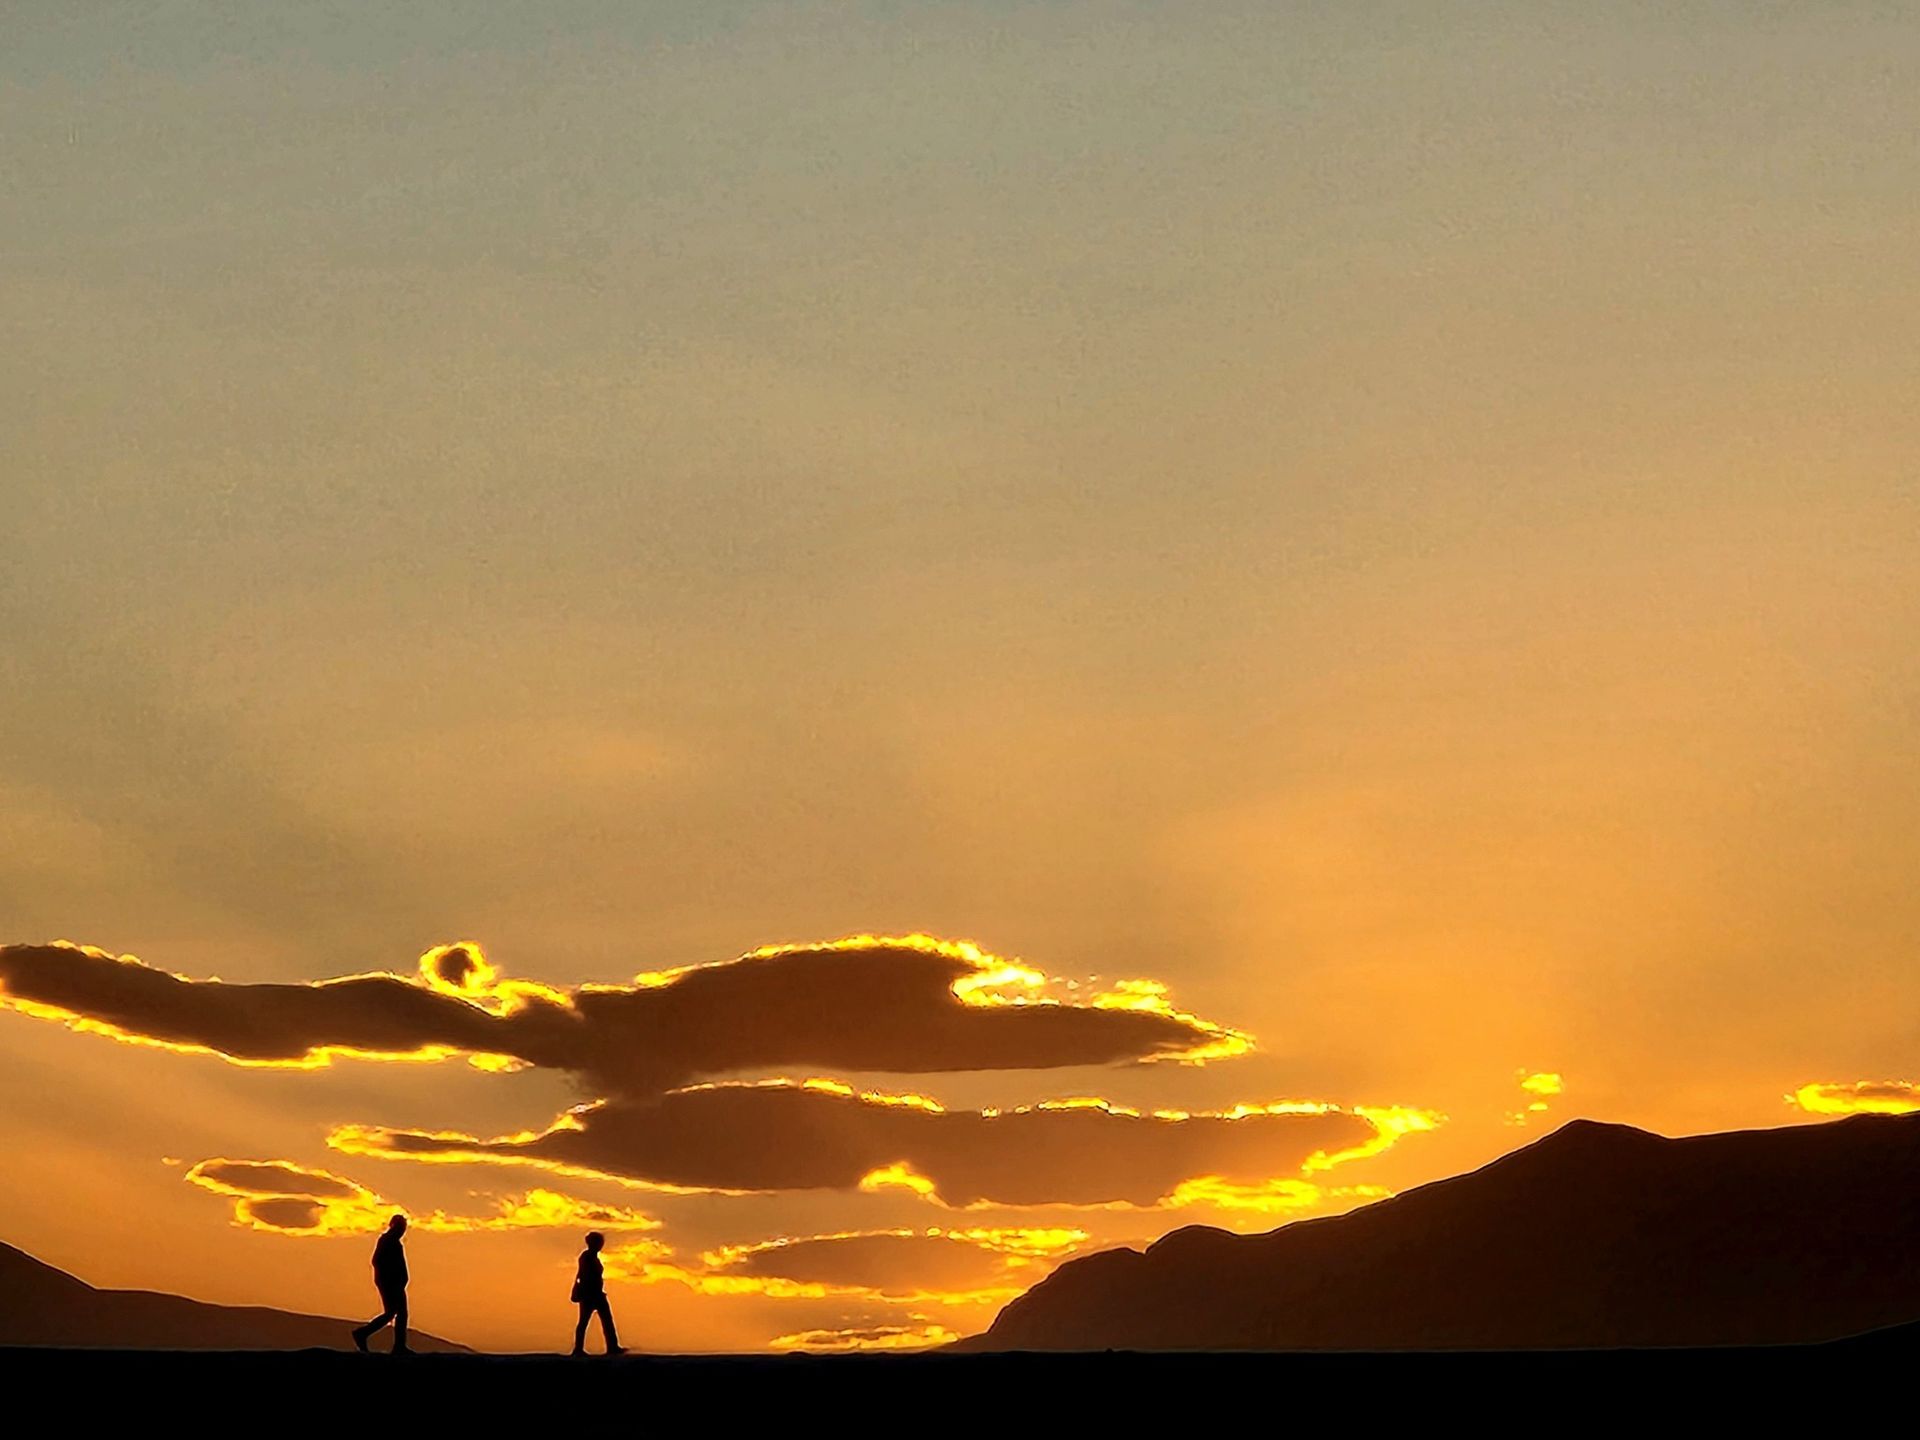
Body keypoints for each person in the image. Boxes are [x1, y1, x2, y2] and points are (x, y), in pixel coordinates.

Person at [352, 1214, 410, 1353]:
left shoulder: (394, 1242)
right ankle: (363, 1334)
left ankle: (398, 1346)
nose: (403, 1231)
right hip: (390, 1283)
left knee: (399, 1313)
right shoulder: (387, 1241)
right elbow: (376, 1260)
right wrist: (390, 1277)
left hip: (396, 1283)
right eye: (401, 1228)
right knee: (393, 1313)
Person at [571, 1231, 625, 1356]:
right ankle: (578, 1349)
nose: (601, 1244)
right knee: (585, 1321)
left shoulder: (592, 1257)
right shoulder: (587, 1257)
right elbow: (585, 1275)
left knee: (606, 1321)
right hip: (590, 1294)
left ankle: (612, 1347)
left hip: (596, 1293)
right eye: (599, 1242)